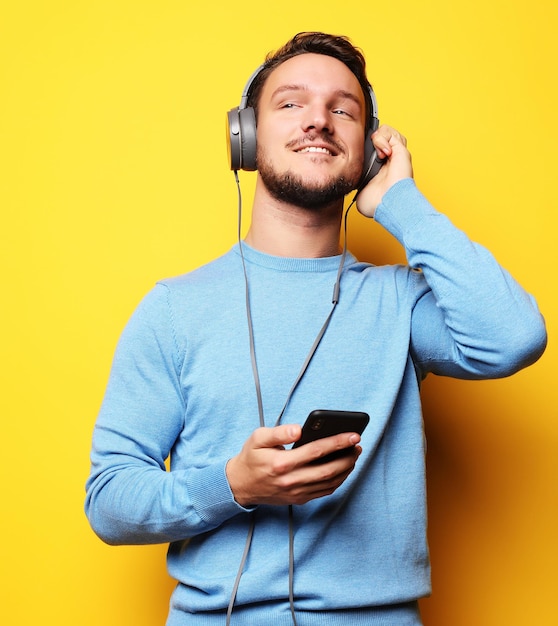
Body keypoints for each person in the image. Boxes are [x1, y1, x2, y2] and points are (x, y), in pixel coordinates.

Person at [85, 32, 547, 626]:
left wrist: (402, 202)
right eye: (291, 103)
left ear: (370, 151)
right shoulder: (174, 308)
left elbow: (513, 337)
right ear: (245, 137)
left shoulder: (401, 302)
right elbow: (110, 504)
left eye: (343, 110)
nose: (319, 121)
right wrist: (233, 485)